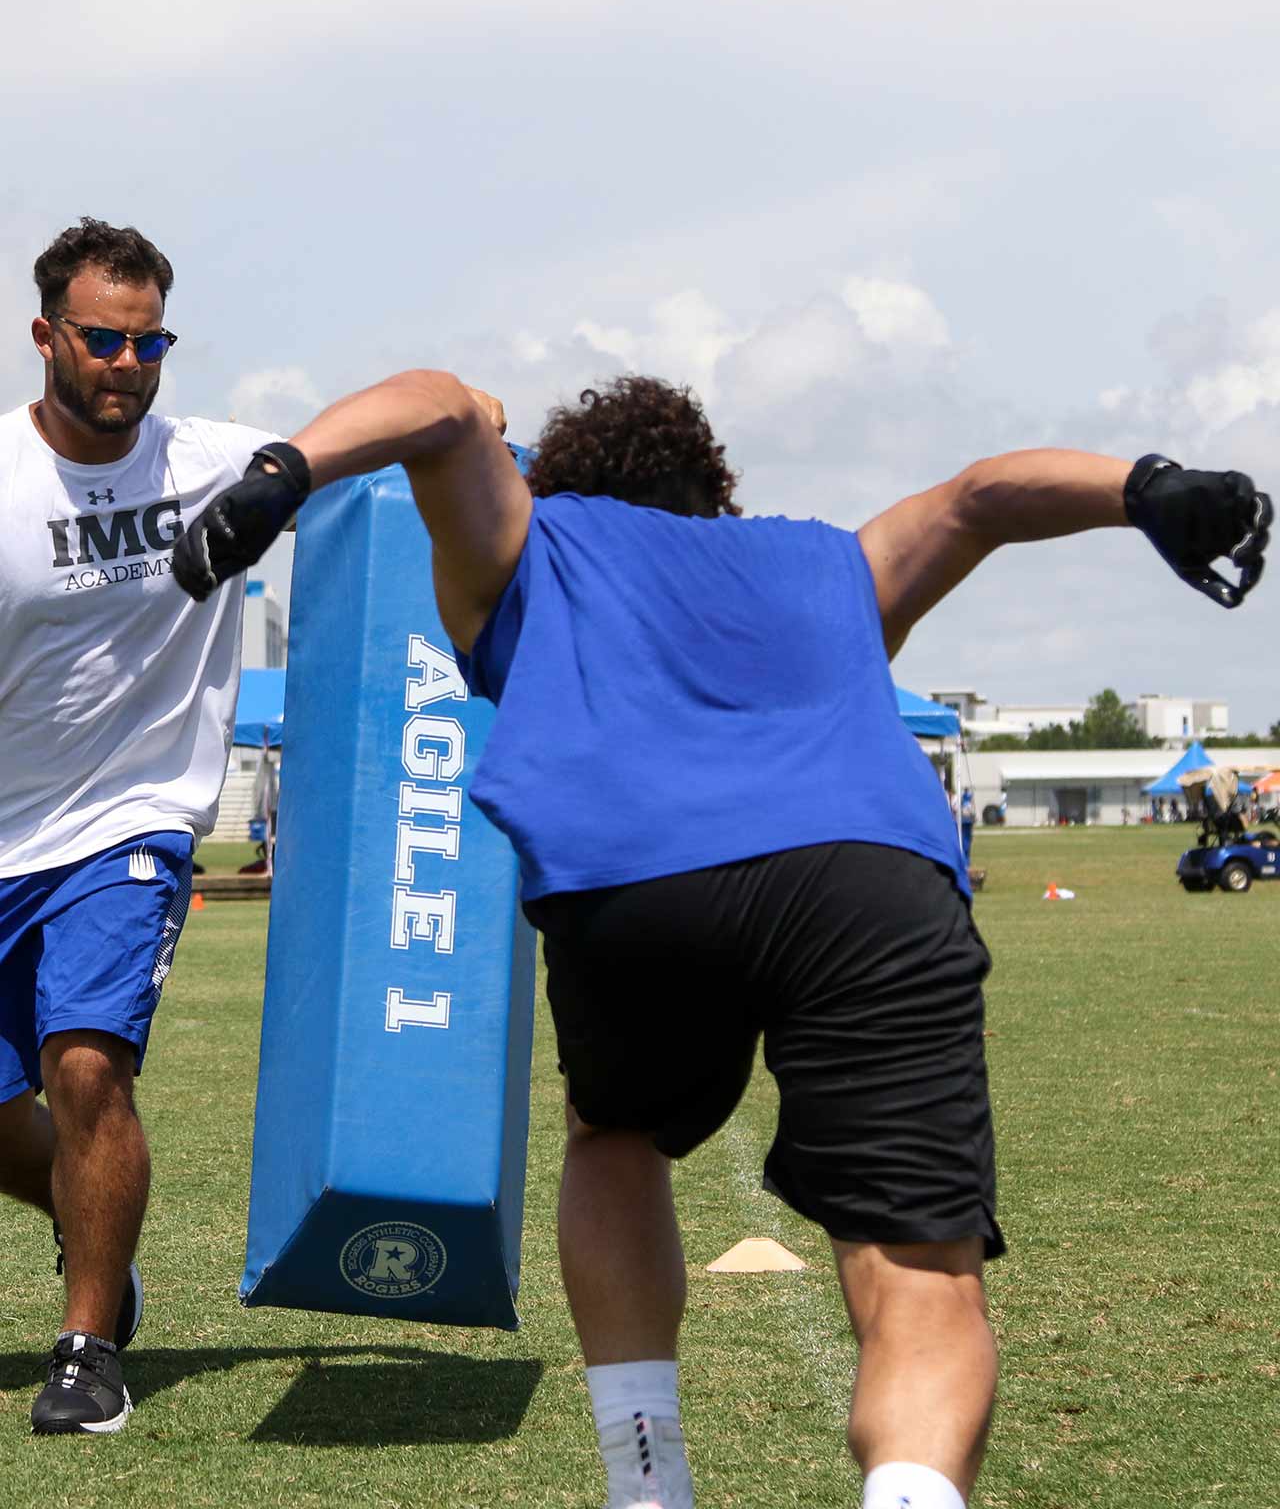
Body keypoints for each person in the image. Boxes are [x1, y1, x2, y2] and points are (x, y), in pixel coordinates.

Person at [173, 370, 1268, 1509]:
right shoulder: (831, 561)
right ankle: (910, 1489)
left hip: (632, 883)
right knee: (917, 1275)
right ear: (717, 492)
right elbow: (981, 495)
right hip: (870, 881)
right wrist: (1150, 486)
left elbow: (444, 409)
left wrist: (282, 474)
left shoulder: (535, 544)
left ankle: (646, 1480)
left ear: (559, 486)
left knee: (613, 1135)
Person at [0, 218, 287, 1435]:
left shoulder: (206, 457)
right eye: (103, 339)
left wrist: (289, 473)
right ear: (45, 336)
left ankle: (87, 1346)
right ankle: (96, 1235)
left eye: (149, 340)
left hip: (132, 819)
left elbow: (417, 414)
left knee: (86, 1062)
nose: (127, 362)